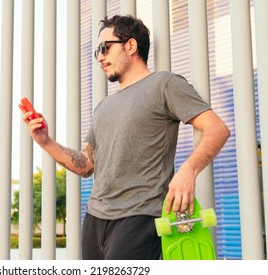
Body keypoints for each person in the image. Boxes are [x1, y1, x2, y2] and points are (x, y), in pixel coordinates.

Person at [19, 14, 230, 260]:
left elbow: (217, 128)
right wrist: (45, 141)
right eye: (97, 51)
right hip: (95, 219)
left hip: (139, 218)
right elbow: (86, 164)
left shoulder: (164, 84)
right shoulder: (103, 107)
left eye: (105, 48)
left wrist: (188, 171)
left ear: (130, 46)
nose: (99, 57)